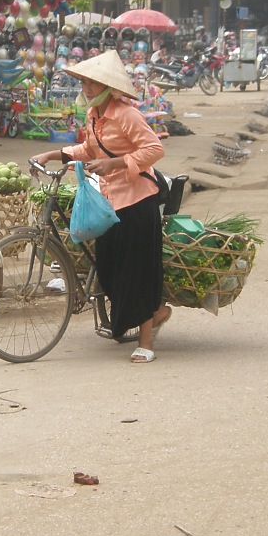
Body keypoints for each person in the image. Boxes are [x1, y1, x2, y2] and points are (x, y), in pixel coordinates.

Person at [31, 51, 172, 363]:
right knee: (107, 270)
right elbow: (88, 148)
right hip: (110, 203)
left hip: (138, 202)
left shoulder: (127, 114)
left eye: (93, 82)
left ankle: (146, 342)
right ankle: (158, 313)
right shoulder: (93, 114)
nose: (87, 87)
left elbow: (154, 148)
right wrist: (52, 154)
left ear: (108, 86)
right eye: (83, 81)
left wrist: (116, 163)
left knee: (136, 273)